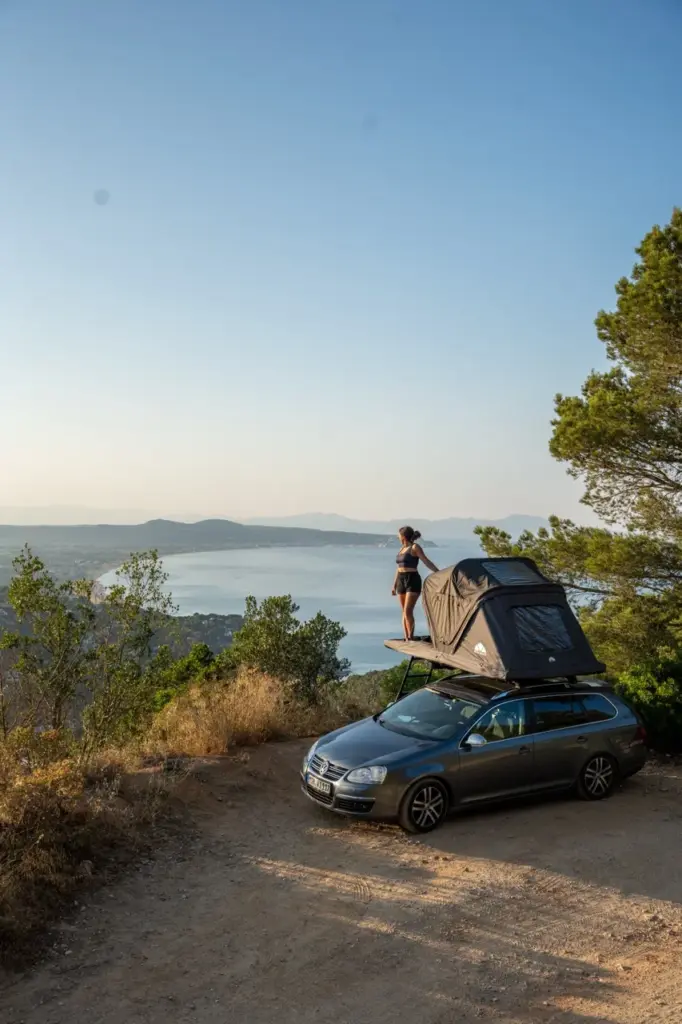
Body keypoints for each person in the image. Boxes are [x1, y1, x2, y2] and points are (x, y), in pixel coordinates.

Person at [392, 526, 439, 641]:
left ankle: (411, 637)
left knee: (408, 610)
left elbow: (426, 561)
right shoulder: (402, 549)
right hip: (401, 581)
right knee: (403, 611)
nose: (398, 536)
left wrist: (438, 572)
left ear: (403, 536)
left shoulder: (414, 547)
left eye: (399, 534)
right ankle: (406, 637)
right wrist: (394, 585)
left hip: (412, 580)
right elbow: (398, 569)